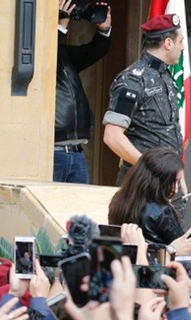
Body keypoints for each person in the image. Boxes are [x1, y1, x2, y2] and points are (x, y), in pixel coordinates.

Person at [102, 13, 187, 193]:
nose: (183, 47)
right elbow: (112, 136)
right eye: (180, 41)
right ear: (168, 43)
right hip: (143, 185)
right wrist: (151, 168)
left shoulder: (165, 76)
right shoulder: (133, 80)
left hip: (169, 183)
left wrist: (178, 174)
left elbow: (169, 131)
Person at [107, 147, 191, 256]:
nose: (175, 189)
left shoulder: (119, 200)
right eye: (173, 181)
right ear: (159, 180)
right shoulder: (162, 212)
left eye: (178, 182)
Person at [54, 0, 112, 183]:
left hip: (76, 151)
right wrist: (61, 23)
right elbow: (44, 54)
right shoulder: (45, 53)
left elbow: (94, 52)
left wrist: (104, 31)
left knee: (77, 211)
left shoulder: (64, 55)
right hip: (53, 154)